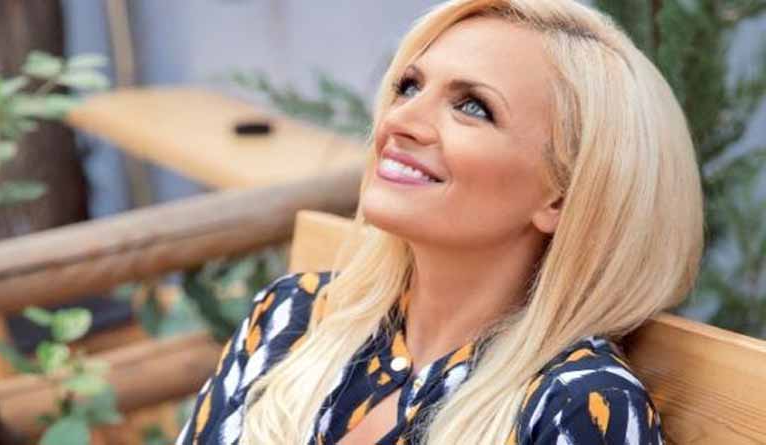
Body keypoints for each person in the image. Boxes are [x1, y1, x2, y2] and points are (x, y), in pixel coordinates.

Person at [177, 0, 704, 444]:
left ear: (563, 198)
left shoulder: (576, 407)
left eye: (472, 107)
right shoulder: (292, 317)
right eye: (409, 87)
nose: (400, 120)